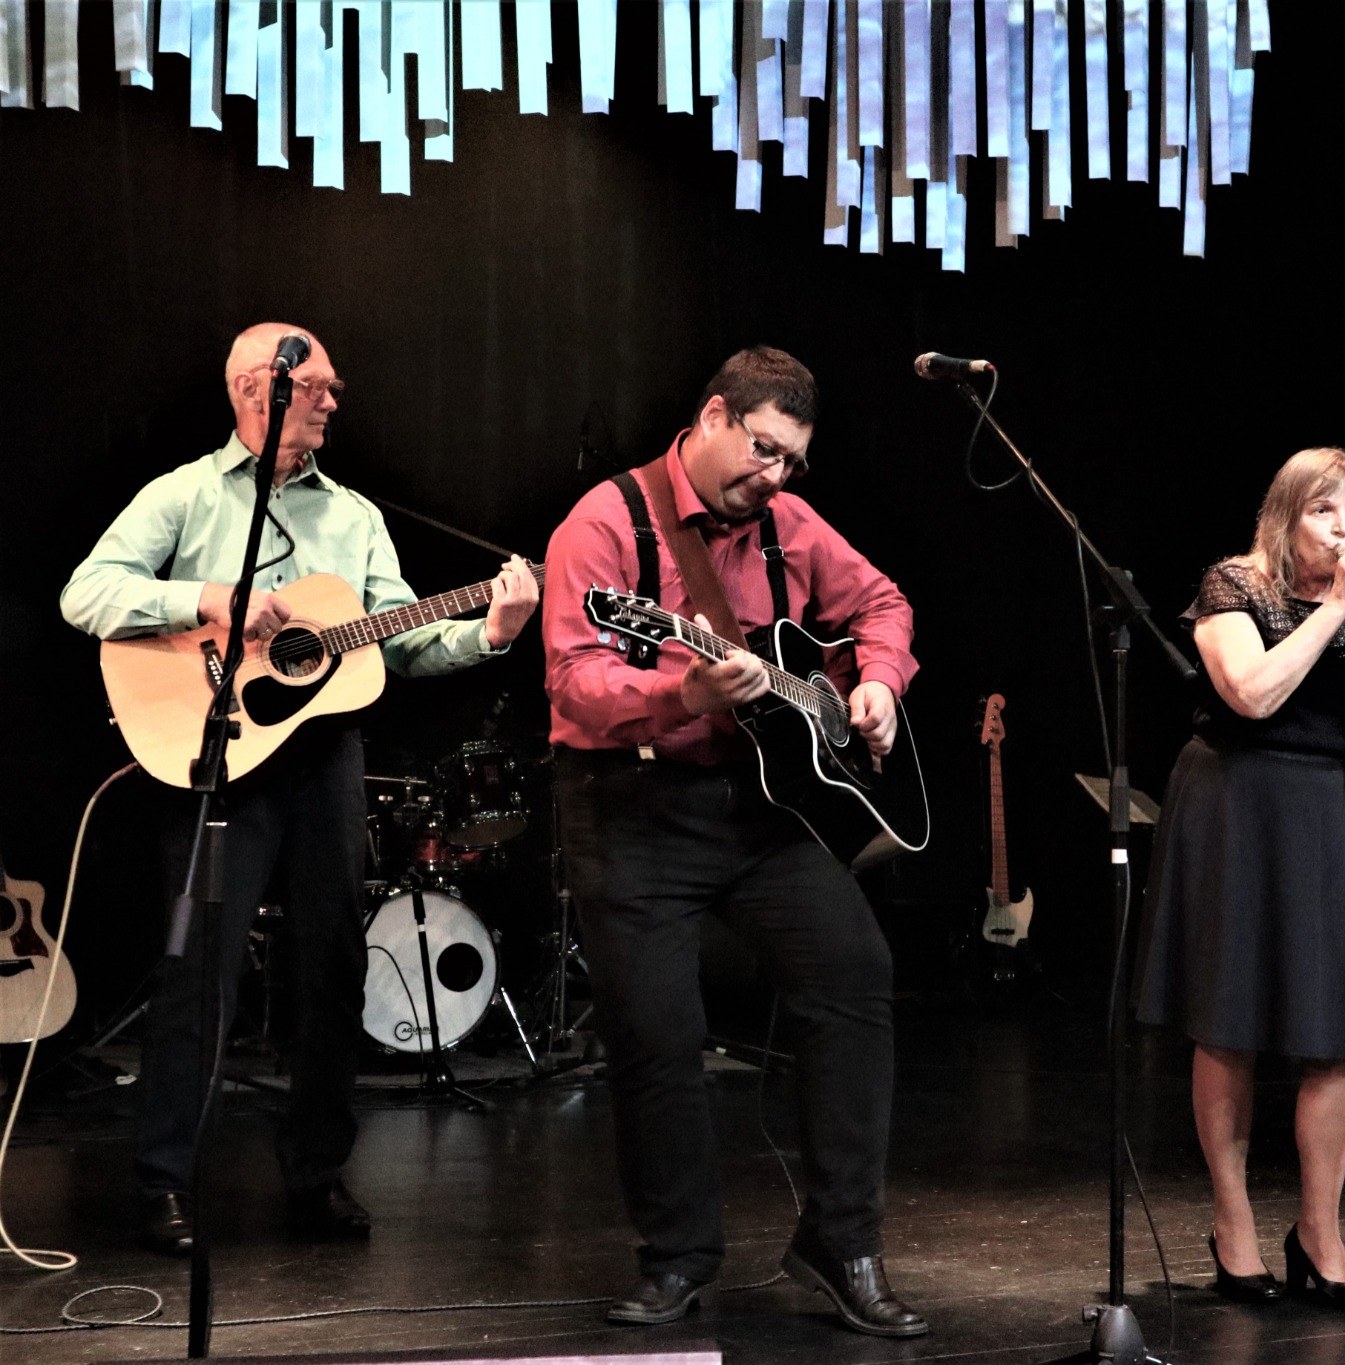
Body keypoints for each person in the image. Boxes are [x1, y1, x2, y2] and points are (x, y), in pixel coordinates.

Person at [60, 323, 540, 1255]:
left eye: (332, 387)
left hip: (323, 763)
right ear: (257, 388)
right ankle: (165, 1180)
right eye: (316, 385)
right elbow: (88, 592)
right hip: (217, 749)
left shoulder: (355, 517)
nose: (333, 399)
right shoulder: (186, 494)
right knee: (199, 970)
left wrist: (491, 631)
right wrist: (205, 600)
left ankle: (316, 1175)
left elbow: (400, 639)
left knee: (334, 966)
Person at [541, 346, 926, 1338]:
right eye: (763, 450)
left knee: (855, 975)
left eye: (793, 460)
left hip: (760, 810)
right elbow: (575, 682)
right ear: (713, 417)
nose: (776, 476)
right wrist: (683, 690)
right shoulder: (603, 523)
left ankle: (842, 1243)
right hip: (630, 805)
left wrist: (878, 681)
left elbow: (882, 602)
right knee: (657, 1034)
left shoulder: (789, 522)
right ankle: (677, 1254)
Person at [1133, 447, 1345, 1310]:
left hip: (1317, 806)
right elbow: (1252, 694)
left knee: (1339, 1028)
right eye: (1324, 511)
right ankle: (1234, 1223)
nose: (1343, 529)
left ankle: (1320, 1231)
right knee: (1231, 1020)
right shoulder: (1234, 585)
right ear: (1286, 518)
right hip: (1234, 800)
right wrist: (1335, 609)